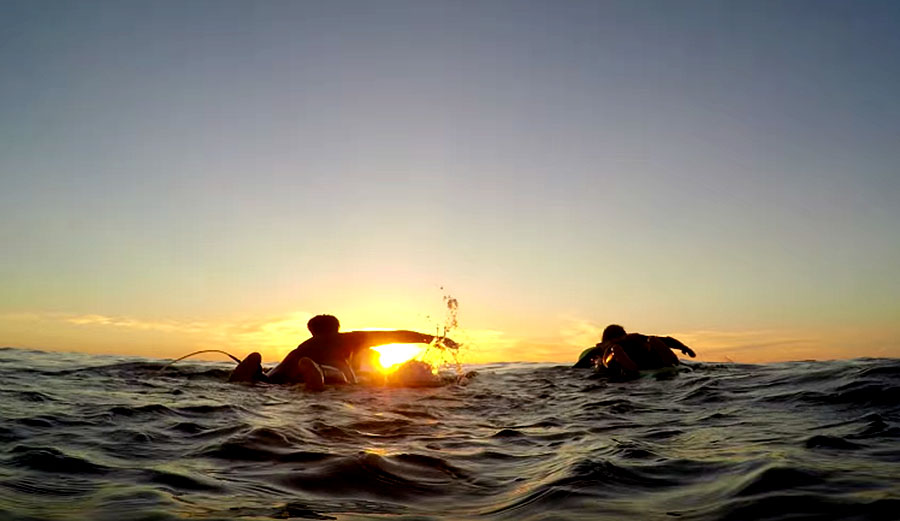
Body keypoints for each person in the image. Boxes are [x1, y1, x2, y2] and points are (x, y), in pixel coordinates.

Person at [228, 314, 458, 390]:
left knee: (269, 378)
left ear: (311, 330)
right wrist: (435, 339)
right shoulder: (349, 339)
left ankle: (252, 370)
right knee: (337, 375)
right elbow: (396, 335)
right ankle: (317, 374)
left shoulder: (303, 346)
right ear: (336, 327)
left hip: (283, 373)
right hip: (327, 372)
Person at [573, 324, 696, 377]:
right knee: (652, 341)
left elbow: (579, 367)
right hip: (647, 359)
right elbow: (668, 340)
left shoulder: (602, 347)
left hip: (627, 363)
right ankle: (671, 361)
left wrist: (576, 369)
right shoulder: (635, 338)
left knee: (610, 355)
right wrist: (685, 348)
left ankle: (627, 365)